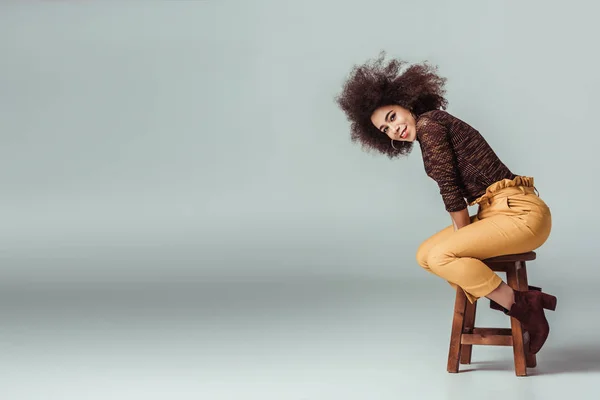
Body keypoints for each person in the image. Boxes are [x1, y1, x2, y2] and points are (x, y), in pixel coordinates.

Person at [334, 52, 556, 354]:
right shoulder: (430, 127)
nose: (394, 129)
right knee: (425, 255)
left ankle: (522, 306)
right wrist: (460, 238)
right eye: (385, 129)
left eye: (392, 117)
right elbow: (455, 195)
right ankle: (516, 299)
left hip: (521, 214)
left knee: (441, 257)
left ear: (407, 103)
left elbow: (450, 190)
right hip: (495, 212)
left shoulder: (430, 126)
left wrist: (460, 239)